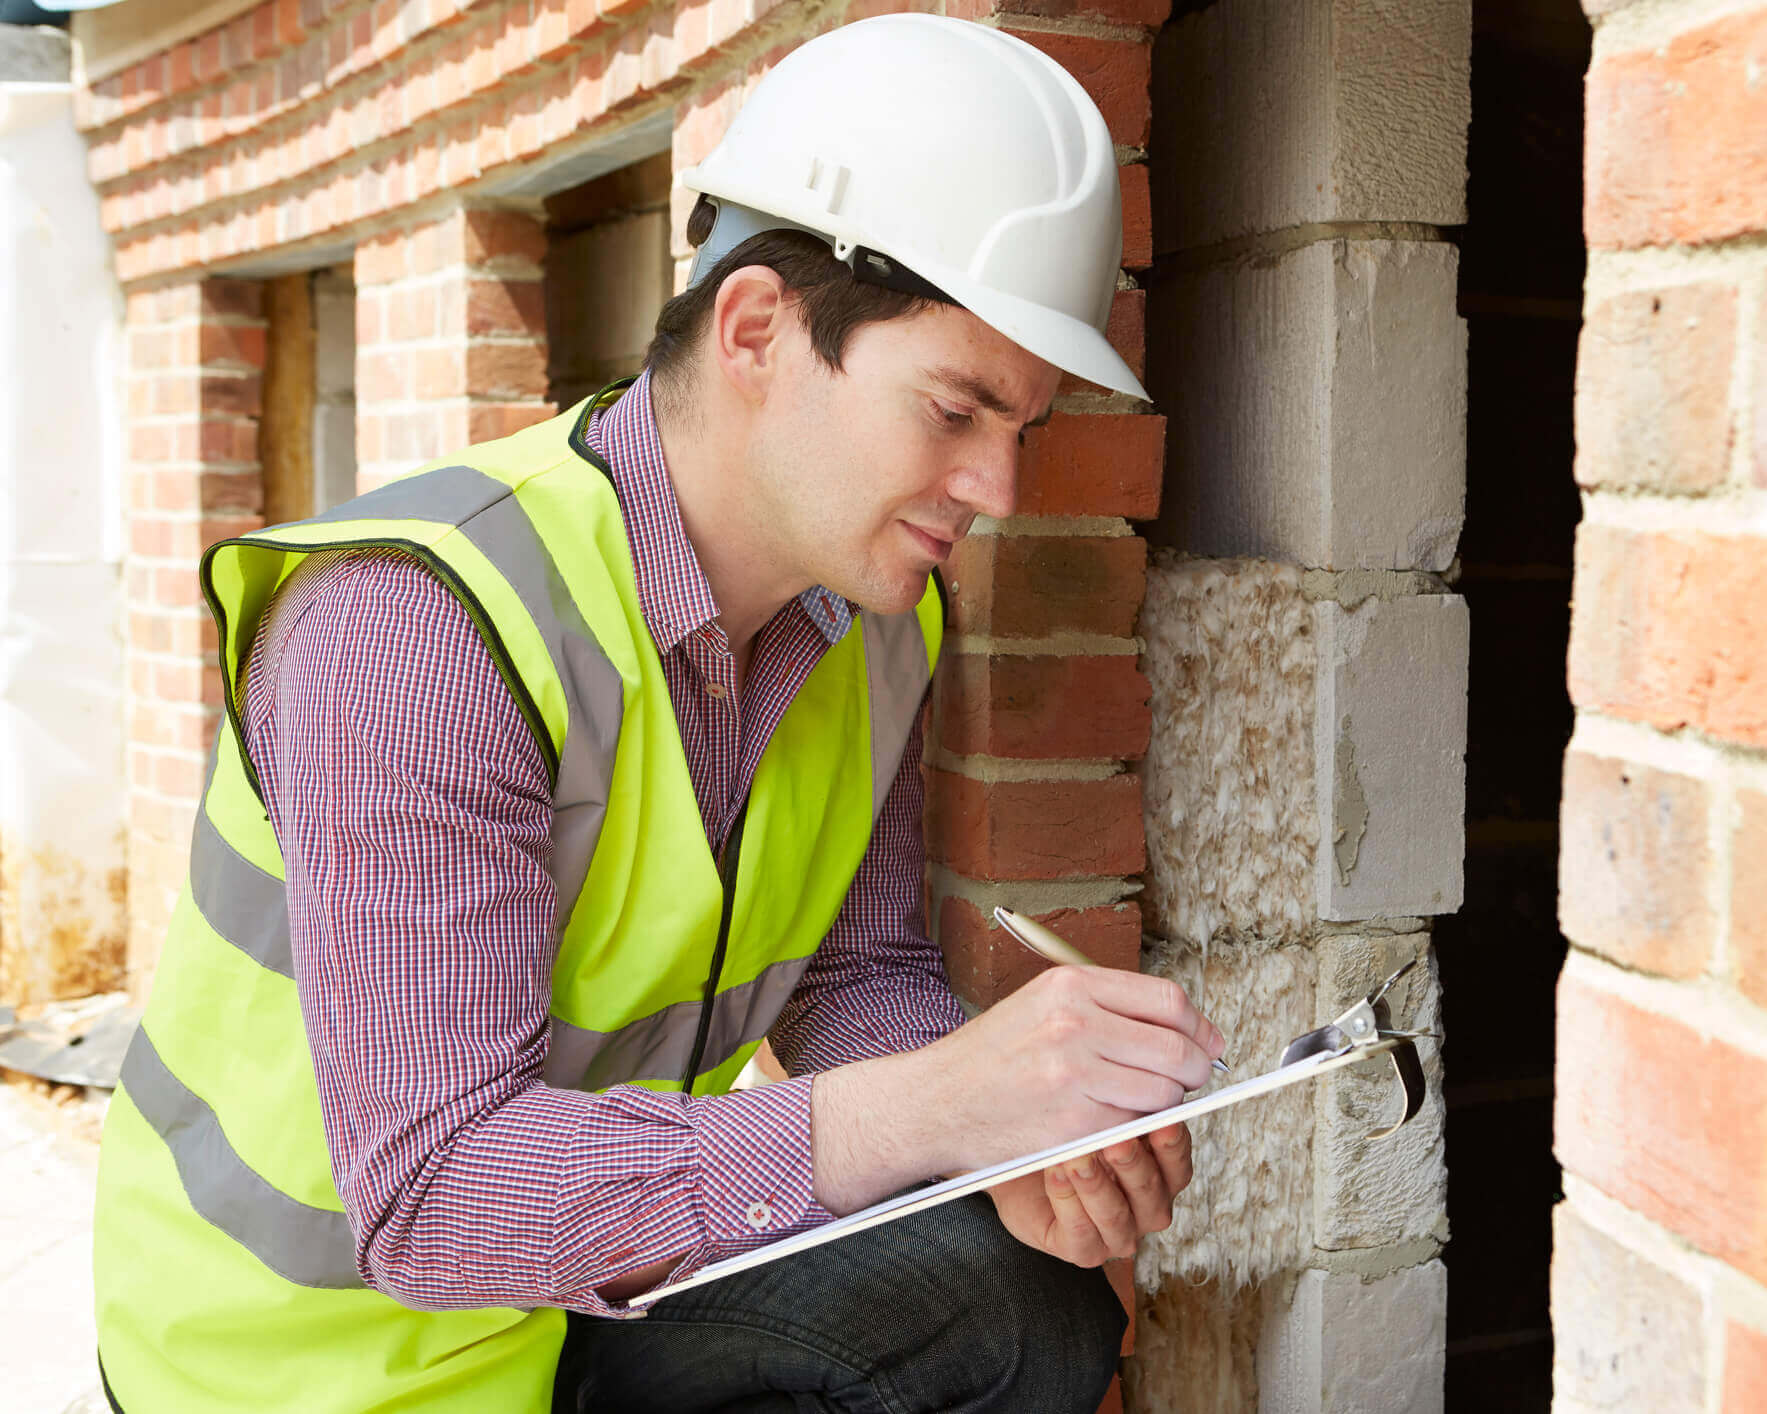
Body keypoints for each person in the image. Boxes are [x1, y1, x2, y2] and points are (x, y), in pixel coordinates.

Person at [92, 15, 1223, 1413]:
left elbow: (846, 975)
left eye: (1022, 428)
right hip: (293, 1367)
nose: (995, 487)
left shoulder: (876, 625)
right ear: (755, 327)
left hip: (575, 1306)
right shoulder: (418, 628)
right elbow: (438, 1198)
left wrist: (1004, 1146)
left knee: (1012, 1298)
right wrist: (929, 1110)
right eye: (953, 409)